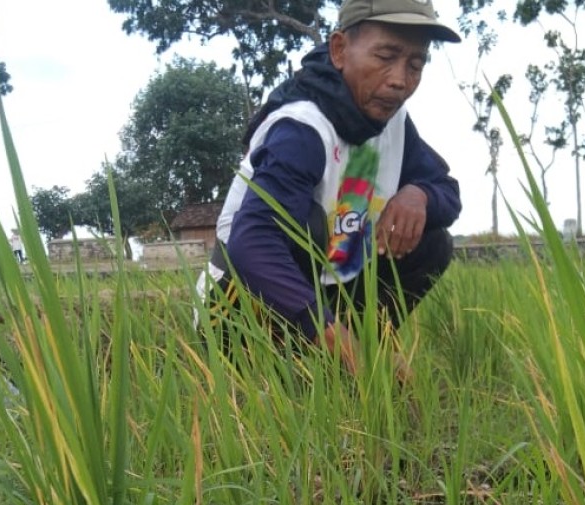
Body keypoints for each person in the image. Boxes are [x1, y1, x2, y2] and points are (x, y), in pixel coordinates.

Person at [197, 0, 462, 376]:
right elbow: (252, 241)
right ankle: (326, 358)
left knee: (432, 241)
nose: (400, 79)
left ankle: (352, 357)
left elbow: (446, 191)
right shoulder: (302, 127)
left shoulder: (393, 121)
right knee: (304, 224)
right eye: (386, 56)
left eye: (415, 65)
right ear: (339, 50)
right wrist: (340, 342)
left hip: (324, 289)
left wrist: (417, 195)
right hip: (239, 308)